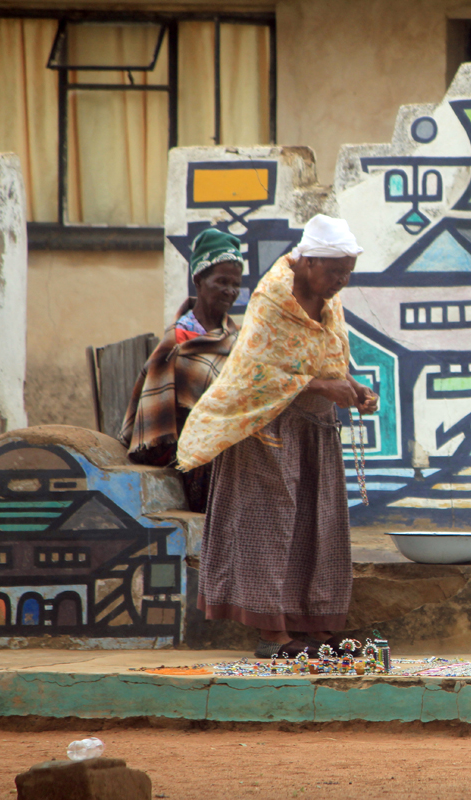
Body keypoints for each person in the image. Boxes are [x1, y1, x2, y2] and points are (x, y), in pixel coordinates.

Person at [175, 214, 379, 659]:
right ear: (306, 262)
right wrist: (325, 387)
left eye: (348, 272)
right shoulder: (273, 300)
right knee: (268, 526)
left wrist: (352, 388)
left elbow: (327, 357)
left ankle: (313, 627)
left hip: (313, 431)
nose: (342, 281)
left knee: (316, 524)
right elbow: (259, 373)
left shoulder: (330, 301)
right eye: (335, 271)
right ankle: (272, 635)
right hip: (266, 430)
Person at [121, 227, 243, 512]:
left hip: (228, 450)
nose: (230, 291)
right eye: (221, 281)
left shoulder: (236, 339)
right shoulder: (176, 343)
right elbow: (160, 419)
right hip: (188, 460)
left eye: (236, 284)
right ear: (199, 280)